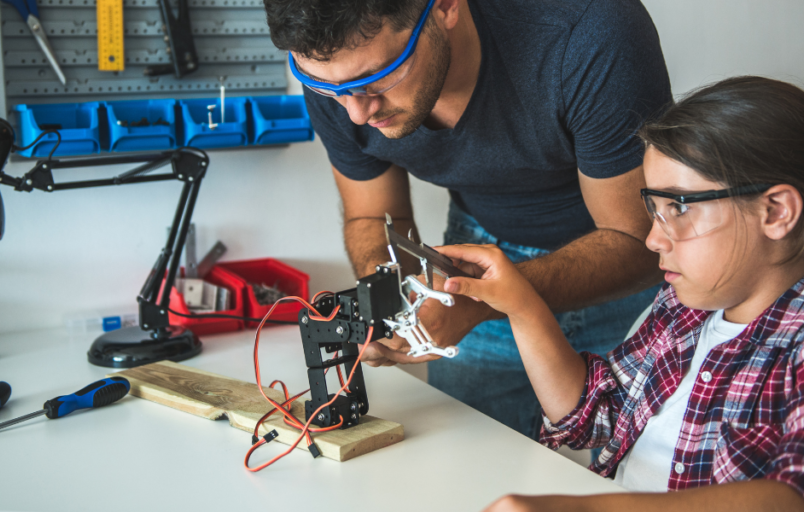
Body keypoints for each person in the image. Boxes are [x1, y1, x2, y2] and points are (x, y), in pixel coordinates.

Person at [436, 76, 804, 511]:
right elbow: (593, 413)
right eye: (654, 207)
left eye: (679, 208)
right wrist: (520, 302)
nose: (652, 239)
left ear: (776, 212)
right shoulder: (685, 308)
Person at [264, 0, 671, 439]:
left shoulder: (592, 32)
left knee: (637, 470)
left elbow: (639, 240)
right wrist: (391, 302)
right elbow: (371, 214)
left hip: (622, 269)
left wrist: (477, 302)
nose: (357, 112)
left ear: (444, 7)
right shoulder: (335, 69)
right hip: (473, 255)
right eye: (327, 88)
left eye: (377, 78)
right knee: (466, 463)